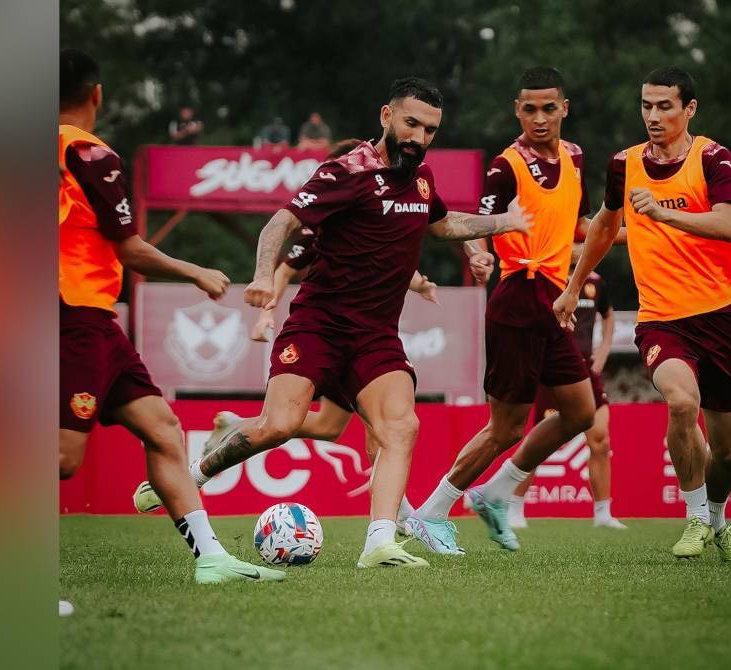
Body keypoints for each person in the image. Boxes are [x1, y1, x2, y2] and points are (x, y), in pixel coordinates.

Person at [147, 77, 531, 570]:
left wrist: (503, 223)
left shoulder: (422, 178)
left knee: (402, 426)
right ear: (386, 116)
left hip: (375, 335)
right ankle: (193, 474)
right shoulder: (345, 172)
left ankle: (379, 543)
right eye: (411, 123)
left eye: (430, 129)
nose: (419, 136)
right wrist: (264, 275)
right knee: (279, 425)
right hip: (318, 325)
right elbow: (279, 222)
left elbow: (442, 225)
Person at [59, 48, 284, 588]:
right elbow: (132, 249)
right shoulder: (91, 155)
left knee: (162, 428)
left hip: (94, 320)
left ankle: (211, 558)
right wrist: (195, 271)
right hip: (75, 314)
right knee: (63, 459)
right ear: (97, 95)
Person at [132, 141, 443, 529]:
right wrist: (265, 313)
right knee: (326, 425)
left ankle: (236, 427)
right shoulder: (321, 226)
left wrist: (419, 283)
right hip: (327, 335)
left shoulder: (374, 215)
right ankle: (398, 516)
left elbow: (387, 258)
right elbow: (283, 270)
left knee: (332, 427)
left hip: (364, 338)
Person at [553, 66, 731, 563]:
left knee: (728, 449)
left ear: (689, 109)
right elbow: (602, 227)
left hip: (719, 315)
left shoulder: (713, 158)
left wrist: (664, 213)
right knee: (682, 403)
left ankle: (718, 520)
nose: (653, 115)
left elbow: (729, 224)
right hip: (661, 317)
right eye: (646, 105)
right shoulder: (624, 164)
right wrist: (572, 286)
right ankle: (693, 518)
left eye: (665, 105)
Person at [405, 66, 597, 555]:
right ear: (517, 109)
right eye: (529, 108)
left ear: (564, 109)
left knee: (579, 411)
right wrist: (479, 252)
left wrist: (630, 233)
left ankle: (495, 492)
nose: (538, 118)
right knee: (506, 427)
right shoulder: (506, 164)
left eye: (548, 108)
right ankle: (431, 512)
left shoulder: (576, 157)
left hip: (554, 301)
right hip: (518, 297)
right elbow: (483, 218)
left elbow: (579, 230)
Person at [509, 270, 628, 530]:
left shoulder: (597, 280)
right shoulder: (547, 276)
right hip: (553, 370)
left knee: (600, 440)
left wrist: (604, 349)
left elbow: (608, 315)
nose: (577, 248)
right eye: (573, 240)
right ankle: (514, 508)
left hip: (587, 369)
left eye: (582, 241)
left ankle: (603, 514)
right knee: (537, 444)